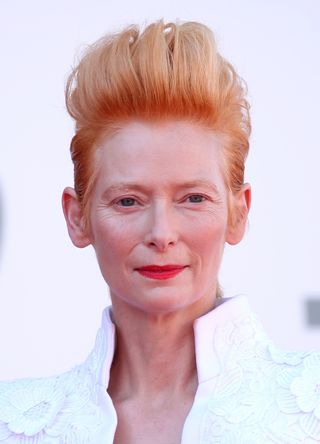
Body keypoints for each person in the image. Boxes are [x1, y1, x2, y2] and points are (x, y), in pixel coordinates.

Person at [0, 19, 319, 444]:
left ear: (238, 213)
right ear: (77, 218)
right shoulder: (13, 423)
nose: (161, 233)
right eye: (128, 201)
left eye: (193, 198)